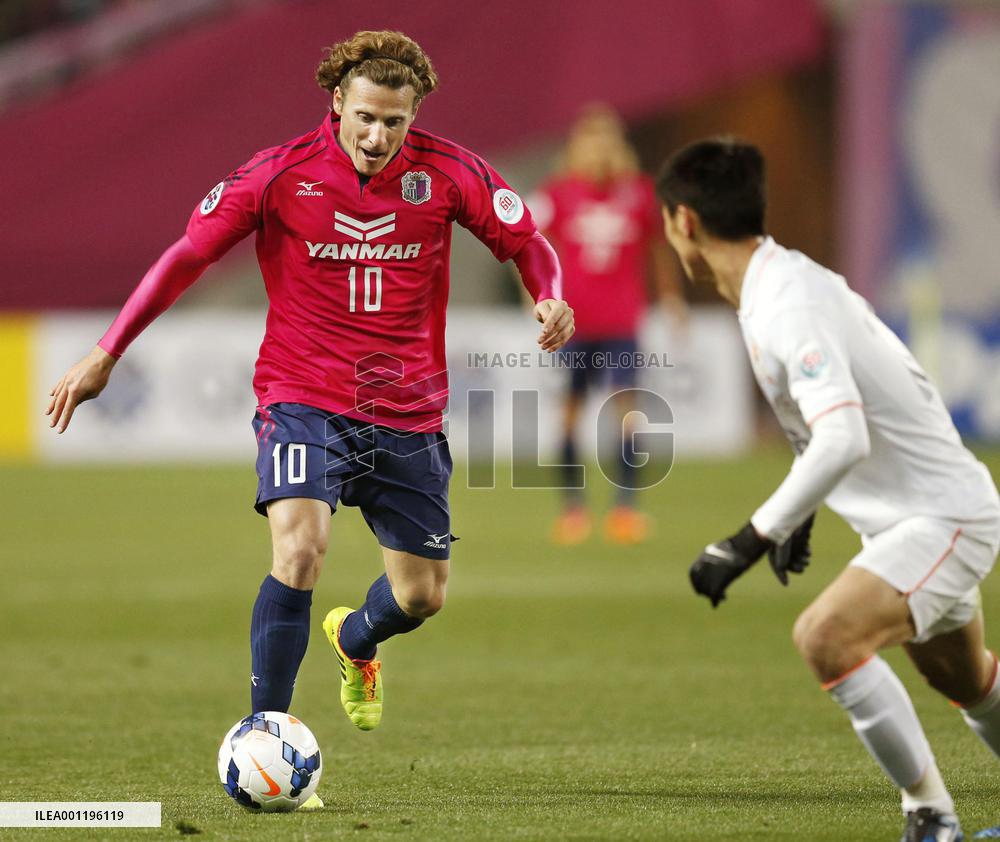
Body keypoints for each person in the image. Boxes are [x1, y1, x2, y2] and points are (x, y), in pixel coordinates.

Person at [46, 28, 574, 792]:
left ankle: (357, 639)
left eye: (394, 121)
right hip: (304, 395)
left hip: (408, 411)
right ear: (337, 102)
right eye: (365, 116)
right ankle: (266, 729)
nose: (377, 135)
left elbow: (527, 241)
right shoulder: (279, 174)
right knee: (299, 549)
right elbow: (187, 256)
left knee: (422, 595)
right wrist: (107, 350)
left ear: (413, 114)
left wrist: (549, 291)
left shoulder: (452, 173)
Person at [657, 137, 1000, 841]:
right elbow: (836, 419)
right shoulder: (778, 284)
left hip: (943, 519)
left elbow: (845, 435)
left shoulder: (786, 303)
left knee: (827, 638)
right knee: (970, 682)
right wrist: (807, 515)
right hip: (918, 519)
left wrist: (753, 538)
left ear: (683, 221)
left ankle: (931, 819)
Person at [530, 104, 684, 546]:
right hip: (572, 324)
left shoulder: (639, 193)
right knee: (569, 418)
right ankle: (573, 511)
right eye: (590, 141)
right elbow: (531, 247)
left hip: (621, 321)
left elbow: (659, 249)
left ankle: (624, 509)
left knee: (628, 417)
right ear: (577, 148)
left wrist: (671, 298)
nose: (599, 151)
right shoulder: (558, 194)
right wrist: (539, 299)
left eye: (606, 141)